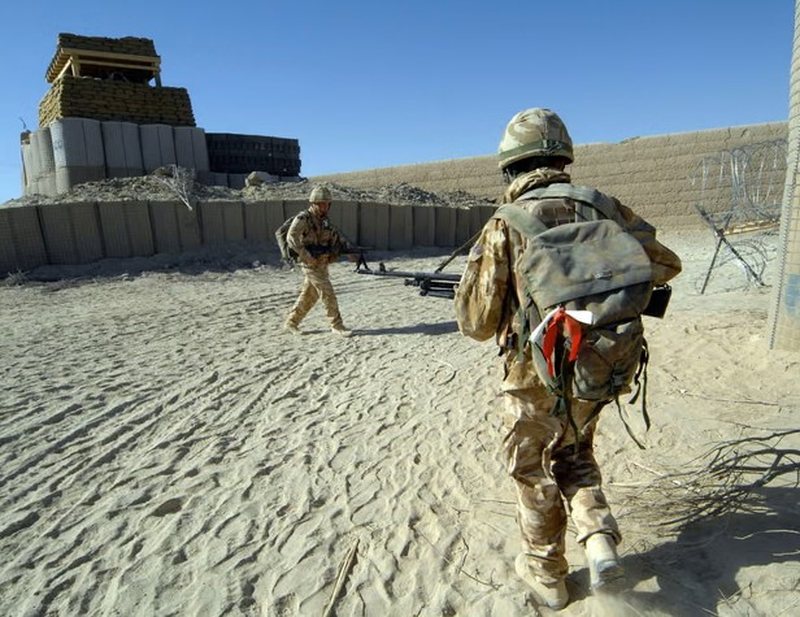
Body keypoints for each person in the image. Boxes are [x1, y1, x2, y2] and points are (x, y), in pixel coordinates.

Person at [454, 108, 682, 610]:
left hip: (531, 374)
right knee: (575, 453)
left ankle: (547, 575)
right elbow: (666, 264)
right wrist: (600, 289)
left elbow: (476, 323)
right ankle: (598, 540)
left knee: (531, 469)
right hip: (595, 361)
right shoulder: (604, 207)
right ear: (564, 158)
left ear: (510, 166)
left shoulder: (505, 223)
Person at [283, 185, 352, 336]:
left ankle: (291, 322)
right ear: (314, 203)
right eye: (321, 204)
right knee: (328, 292)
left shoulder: (324, 221)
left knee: (310, 295)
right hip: (310, 263)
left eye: (327, 204)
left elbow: (335, 238)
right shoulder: (303, 218)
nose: (324, 207)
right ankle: (337, 325)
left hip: (322, 263)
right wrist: (306, 255)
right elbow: (291, 238)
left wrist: (347, 250)